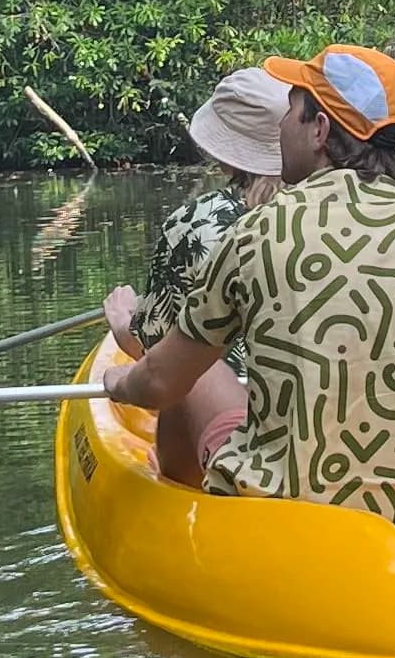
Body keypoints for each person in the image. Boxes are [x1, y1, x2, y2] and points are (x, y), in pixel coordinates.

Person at [105, 42, 395, 527]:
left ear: (318, 130)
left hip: (298, 513)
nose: (279, 128)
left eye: (292, 112)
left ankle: (180, 506)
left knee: (200, 369)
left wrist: (117, 383)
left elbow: (159, 383)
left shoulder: (257, 232)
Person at [102, 66, 289, 474]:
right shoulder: (335, 211)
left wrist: (123, 325)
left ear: (223, 156)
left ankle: (180, 481)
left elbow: (157, 360)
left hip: (248, 432)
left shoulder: (197, 223)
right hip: (320, 418)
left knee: (189, 376)